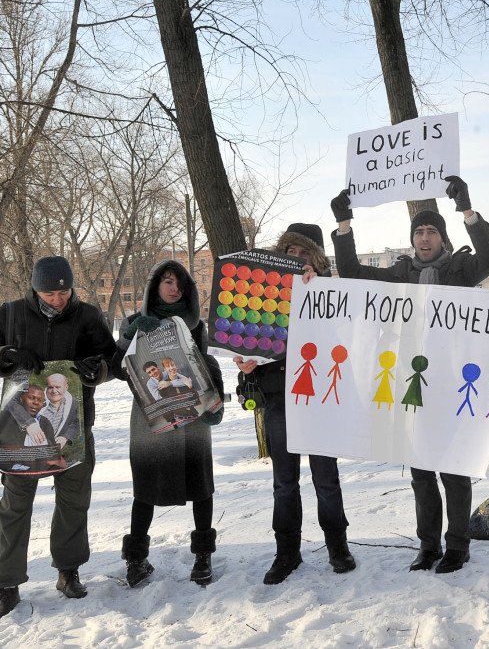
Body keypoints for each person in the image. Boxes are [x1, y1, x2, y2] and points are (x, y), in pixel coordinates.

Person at [331, 176, 489, 573]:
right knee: (421, 470)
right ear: (413, 239)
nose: (425, 237)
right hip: (413, 381)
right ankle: (428, 546)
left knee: (453, 469)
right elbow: (353, 271)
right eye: (419, 231)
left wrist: (467, 211)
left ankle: (457, 545)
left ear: (442, 236)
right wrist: (343, 226)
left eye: (432, 231)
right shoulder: (399, 274)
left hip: (454, 382)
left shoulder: (461, 269)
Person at [234, 223, 357, 585]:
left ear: (316, 259)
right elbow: (246, 340)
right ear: (280, 256)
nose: (297, 259)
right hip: (278, 397)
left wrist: (317, 286)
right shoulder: (263, 292)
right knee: (284, 482)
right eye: (291, 253)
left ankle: (338, 545)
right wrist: (245, 360)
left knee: (326, 479)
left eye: (305, 254)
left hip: (320, 399)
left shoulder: (331, 292)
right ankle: (286, 552)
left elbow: (349, 336)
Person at [0, 255, 116, 617]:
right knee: (15, 504)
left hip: (75, 427)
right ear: (35, 289)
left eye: (64, 292)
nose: (59, 299)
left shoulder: (89, 316)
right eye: (50, 294)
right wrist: (10, 356)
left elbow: (111, 360)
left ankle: (69, 571)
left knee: (73, 500)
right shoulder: (11, 314)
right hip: (20, 432)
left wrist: (97, 370)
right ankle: (7, 582)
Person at [112, 261, 224, 588]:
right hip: (152, 416)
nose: (174, 289)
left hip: (192, 417)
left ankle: (203, 557)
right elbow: (119, 368)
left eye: (180, 284)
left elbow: (204, 363)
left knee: (201, 485)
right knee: (145, 486)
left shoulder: (195, 326)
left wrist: (213, 399)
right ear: (154, 287)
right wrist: (132, 335)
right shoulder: (134, 322)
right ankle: (136, 560)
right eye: (168, 282)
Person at [42, 373, 80, 446]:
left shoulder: (72, 403)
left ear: (66, 387)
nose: (54, 391)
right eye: (50, 387)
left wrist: (65, 437)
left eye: (58, 387)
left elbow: (74, 422)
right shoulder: (36, 401)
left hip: (55, 451)